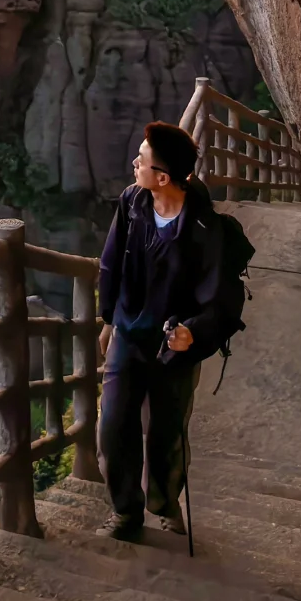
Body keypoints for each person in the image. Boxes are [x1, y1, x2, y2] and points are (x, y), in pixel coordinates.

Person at [97, 120, 245, 540]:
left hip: (173, 345)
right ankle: (126, 512)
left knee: (165, 431)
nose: (133, 164)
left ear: (162, 177)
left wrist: (193, 333)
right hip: (129, 333)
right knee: (114, 425)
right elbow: (110, 265)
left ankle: (163, 502)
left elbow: (219, 299)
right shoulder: (132, 203)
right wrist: (108, 320)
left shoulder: (203, 229)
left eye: (140, 160)